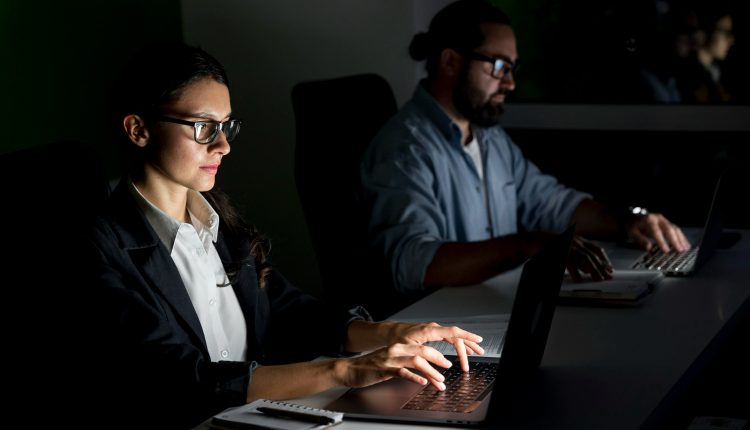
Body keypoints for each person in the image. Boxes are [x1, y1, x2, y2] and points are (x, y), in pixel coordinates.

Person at [83, 42, 484, 429]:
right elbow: (188, 380)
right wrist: (347, 370)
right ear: (139, 130)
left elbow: (284, 307)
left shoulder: (215, 218)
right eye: (204, 127)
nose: (223, 145)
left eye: (226, 127)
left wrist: (387, 333)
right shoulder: (97, 248)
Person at [360, 0, 691, 302]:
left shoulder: (490, 139)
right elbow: (413, 265)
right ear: (450, 61)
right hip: (438, 328)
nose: (510, 84)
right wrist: (524, 246)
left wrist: (628, 220)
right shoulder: (404, 148)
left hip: (493, 304)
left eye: (512, 69)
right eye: (499, 67)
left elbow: (549, 202)